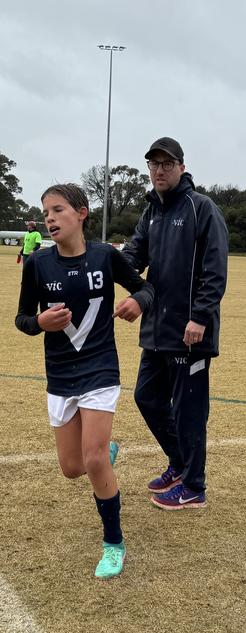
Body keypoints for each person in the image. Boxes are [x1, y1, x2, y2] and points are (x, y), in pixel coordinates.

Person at [15, 183, 153, 578]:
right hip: (60, 374)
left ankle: (113, 542)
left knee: (91, 460)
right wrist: (39, 323)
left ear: (81, 213)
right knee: (73, 468)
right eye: (45, 214)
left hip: (100, 368)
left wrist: (137, 303)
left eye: (58, 210)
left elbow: (145, 287)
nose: (50, 219)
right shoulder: (38, 264)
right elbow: (22, 319)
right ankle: (105, 451)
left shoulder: (105, 256)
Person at [121, 137, 228, 510]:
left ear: (181, 167)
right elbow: (133, 255)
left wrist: (199, 316)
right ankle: (180, 464)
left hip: (190, 332)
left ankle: (194, 486)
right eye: (153, 164)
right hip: (156, 328)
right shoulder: (152, 212)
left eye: (167, 164)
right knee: (146, 396)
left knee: (189, 409)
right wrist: (101, 267)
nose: (159, 170)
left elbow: (215, 271)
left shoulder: (202, 209)